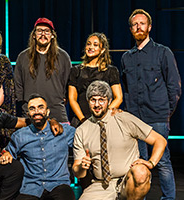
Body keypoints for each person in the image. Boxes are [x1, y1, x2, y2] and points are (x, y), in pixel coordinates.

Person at [121, 9, 181, 199]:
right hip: (135, 119)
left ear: (149, 27)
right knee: (138, 162)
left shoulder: (163, 52)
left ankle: (168, 198)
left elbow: (174, 87)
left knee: (162, 161)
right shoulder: (126, 58)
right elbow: (125, 89)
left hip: (157, 117)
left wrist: (166, 112)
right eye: (135, 24)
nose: (139, 27)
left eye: (142, 23)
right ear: (131, 29)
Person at [73, 80, 167, 200]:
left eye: (101, 99)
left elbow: (160, 140)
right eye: (93, 100)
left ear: (109, 101)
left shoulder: (124, 119)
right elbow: (78, 172)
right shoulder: (82, 130)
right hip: (101, 185)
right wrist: (82, 167)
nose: (97, 104)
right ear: (88, 102)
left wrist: (151, 162)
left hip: (127, 181)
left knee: (141, 172)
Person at [0, 93, 76, 200]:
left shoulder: (65, 131)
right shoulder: (20, 136)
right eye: (32, 109)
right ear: (28, 113)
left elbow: (85, 141)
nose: (37, 111)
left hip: (58, 185)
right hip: (30, 187)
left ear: (47, 111)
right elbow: (7, 153)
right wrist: (5, 154)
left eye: (40, 107)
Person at [14, 17, 72, 123]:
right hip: (31, 115)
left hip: (57, 114)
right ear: (34, 35)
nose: (43, 34)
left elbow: (68, 84)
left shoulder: (63, 57)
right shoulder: (23, 57)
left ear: (52, 35)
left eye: (47, 31)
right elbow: (18, 85)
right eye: (39, 31)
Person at [68, 32, 123, 127]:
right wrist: (83, 120)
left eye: (95, 45)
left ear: (102, 50)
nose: (90, 47)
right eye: (88, 44)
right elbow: (72, 99)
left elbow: (118, 98)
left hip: (103, 122)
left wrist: (104, 116)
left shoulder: (111, 71)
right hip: (81, 121)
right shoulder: (76, 70)